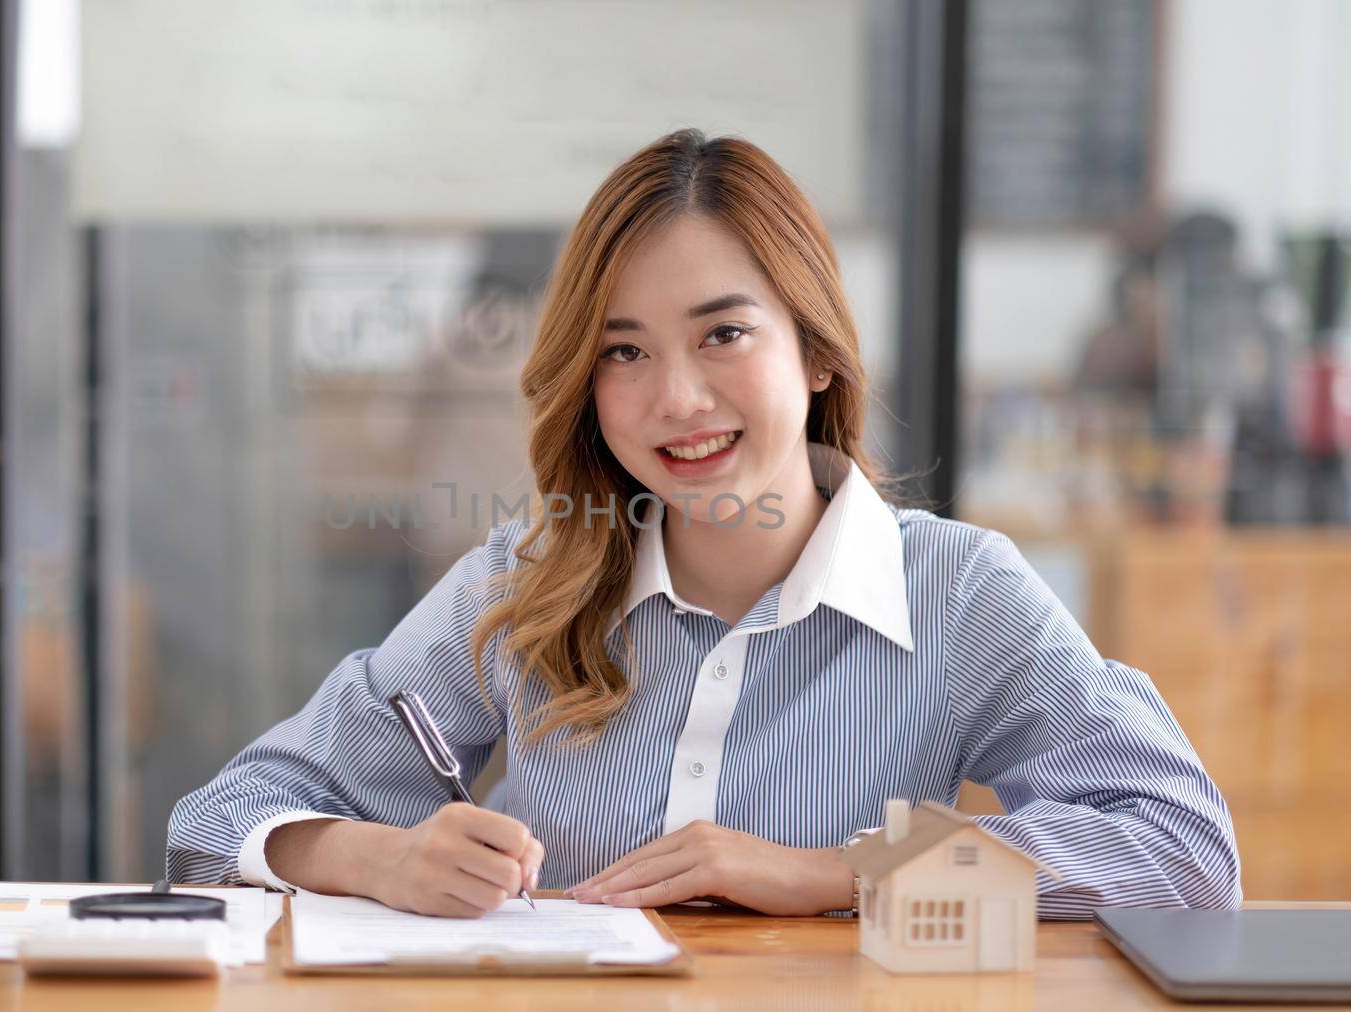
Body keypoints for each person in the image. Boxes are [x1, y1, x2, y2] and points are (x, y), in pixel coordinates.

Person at [166, 129, 1241, 920]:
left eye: (722, 332)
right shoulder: (528, 580)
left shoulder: (957, 594)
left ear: (815, 353)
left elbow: (1184, 850)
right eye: (623, 351)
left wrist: (837, 872)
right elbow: (222, 819)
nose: (676, 398)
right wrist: (376, 858)